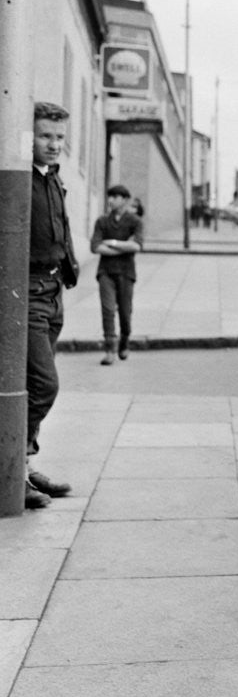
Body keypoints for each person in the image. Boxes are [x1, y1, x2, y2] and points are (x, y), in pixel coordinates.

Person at [25, 102, 79, 510]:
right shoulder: (17, 177)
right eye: (45, 136)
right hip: (25, 292)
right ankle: (10, 469)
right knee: (44, 384)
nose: (53, 144)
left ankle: (21, 465)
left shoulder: (52, 178)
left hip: (52, 289)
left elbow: (61, 227)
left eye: (59, 137)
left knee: (31, 386)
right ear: (28, 136)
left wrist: (69, 267)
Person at [90, 184, 144, 365]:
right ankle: (110, 349)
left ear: (125, 200)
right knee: (107, 310)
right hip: (106, 272)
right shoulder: (102, 221)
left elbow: (137, 245)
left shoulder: (135, 221)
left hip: (126, 273)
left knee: (125, 312)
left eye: (115, 196)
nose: (111, 200)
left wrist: (111, 242)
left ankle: (124, 340)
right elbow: (96, 247)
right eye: (110, 196)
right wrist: (124, 246)